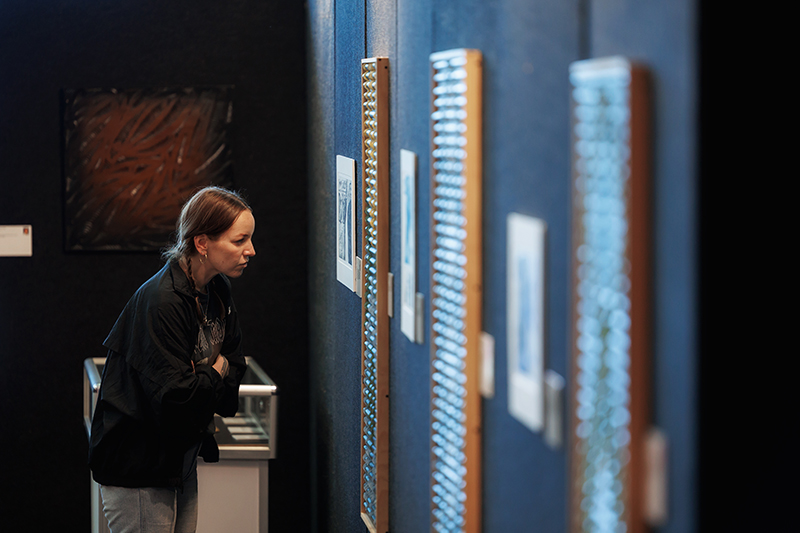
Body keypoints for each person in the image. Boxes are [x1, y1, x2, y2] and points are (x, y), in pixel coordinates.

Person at [88, 186, 255, 533]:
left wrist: (206, 374)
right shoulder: (162, 302)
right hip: (138, 467)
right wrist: (215, 369)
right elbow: (178, 399)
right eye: (239, 241)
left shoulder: (218, 290)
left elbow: (235, 366)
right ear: (202, 243)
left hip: (179, 458)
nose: (250, 251)